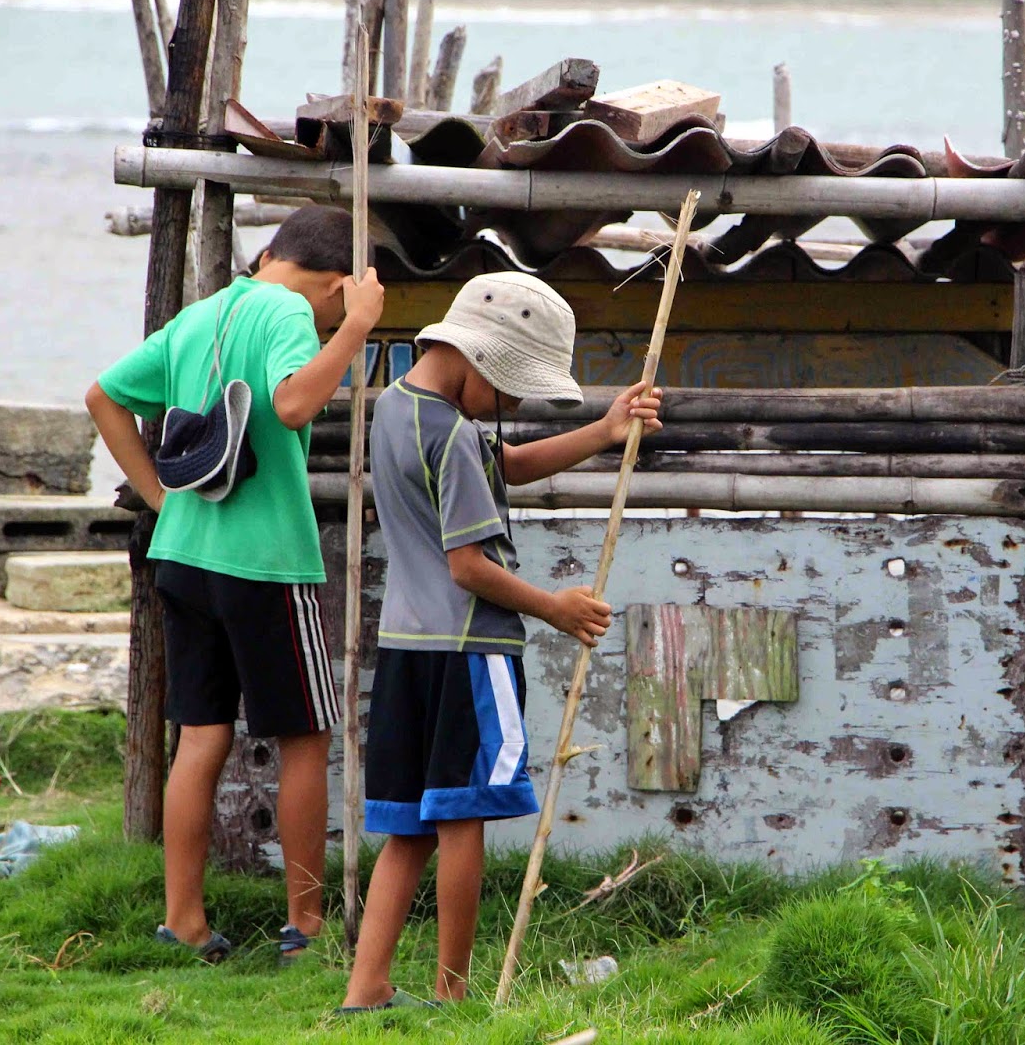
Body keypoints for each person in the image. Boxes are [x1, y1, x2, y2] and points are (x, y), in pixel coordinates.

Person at [339, 271, 662, 1009]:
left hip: (405, 651)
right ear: (479, 360)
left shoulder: (394, 408)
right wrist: (555, 607)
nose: (514, 407)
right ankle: (453, 995)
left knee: (410, 830)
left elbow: (505, 466)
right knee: (463, 819)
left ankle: (366, 990)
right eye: (513, 390)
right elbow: (469, 567)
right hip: (470, 654)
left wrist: (605, 432)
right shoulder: (453, 436)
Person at [85, 205, 384, 962]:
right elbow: (291, 405)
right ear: (335, 286)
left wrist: (158, 499)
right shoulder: (291, 309)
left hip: (184, 556)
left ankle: (182, 919)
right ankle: (307, 925)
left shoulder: (203, 312)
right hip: (266, 564)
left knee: (201, 733)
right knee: (305, 738)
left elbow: (103, 396)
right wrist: (354, 332)